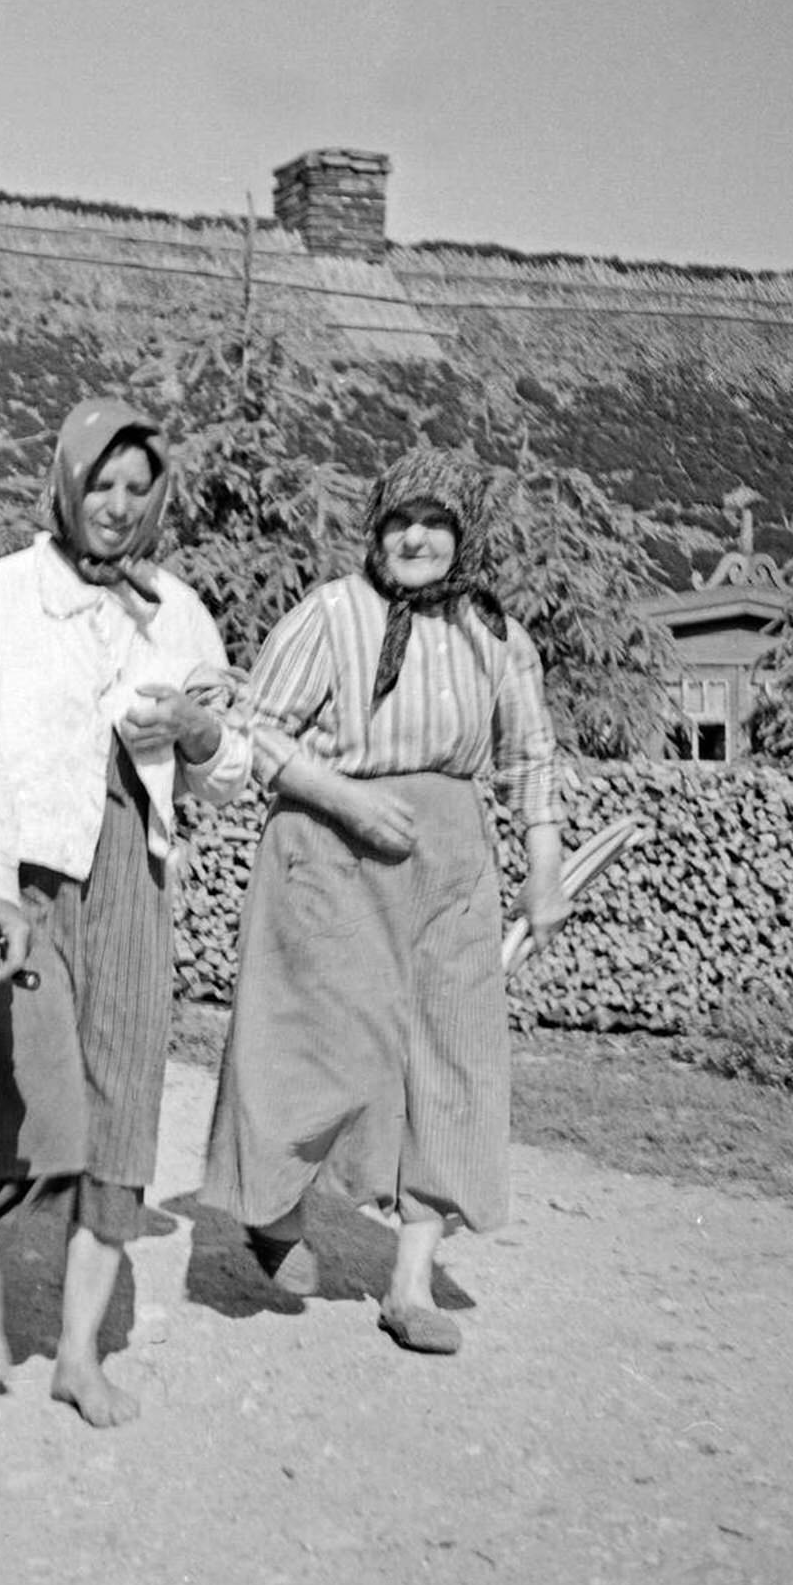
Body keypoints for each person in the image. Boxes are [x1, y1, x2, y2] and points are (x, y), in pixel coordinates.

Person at [201, 446, 569, 1354]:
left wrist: (544, 865)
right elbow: (254, 731)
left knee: (453, 1061)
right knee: (331, 1046)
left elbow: (529, 759)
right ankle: (274, 1212)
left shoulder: (498, 635)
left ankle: (410, 1283)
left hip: (452, 864)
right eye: (401, 519)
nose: (416, 537)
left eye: (437, 522)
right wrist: (346, 797)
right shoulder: (333, 615)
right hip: (330, 848)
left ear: (463, 535)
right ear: (376, 528)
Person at [0, 395, 250, 1427]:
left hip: (131, 874)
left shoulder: (178, 609)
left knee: (122, 1104)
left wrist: (199, 732)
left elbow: (229, 769)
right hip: (21, 869)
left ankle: (77, 1352)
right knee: (27, 1092)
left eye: (137, 488)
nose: (116, 507)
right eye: (100, 484)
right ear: (66, 483)